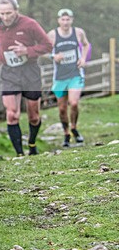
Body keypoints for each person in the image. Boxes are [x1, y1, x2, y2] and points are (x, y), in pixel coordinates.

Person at [0, 0, 53, 156]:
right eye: (2, 13)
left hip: (30, 71)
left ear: (16, 10)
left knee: (34, 116)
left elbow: (48, 46)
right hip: (9, 72)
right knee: (12, 114)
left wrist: (27, 51)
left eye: (9, 13)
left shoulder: (30, 24)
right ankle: (19, 154)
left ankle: (32, 143)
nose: (5, 17)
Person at [47, 8, 90, 147]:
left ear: (72, 20)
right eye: (63, 19)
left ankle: (74, 127)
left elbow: (86, 45)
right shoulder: (52, 35)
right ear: (58, 20)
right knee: (62, 108)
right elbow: (43, 50)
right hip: (59, 77)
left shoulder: (78, 32)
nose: (65, 22)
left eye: (68, 19)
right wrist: (53, 56)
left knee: (74, 102)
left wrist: (83, 59)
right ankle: (66, 133)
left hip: (75, 74)